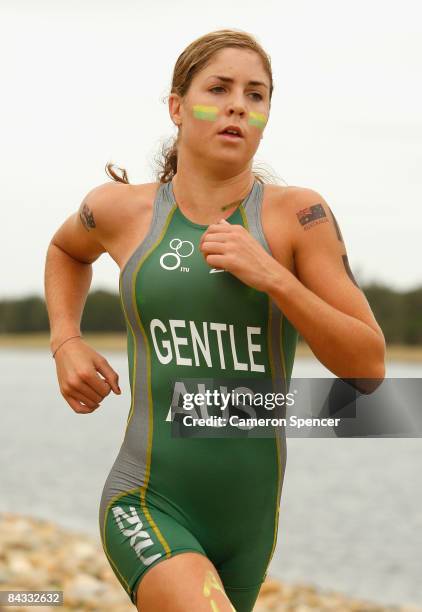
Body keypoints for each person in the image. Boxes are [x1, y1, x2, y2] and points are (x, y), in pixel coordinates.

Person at [44, 28, 386, 612]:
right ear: (178, 106)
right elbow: (66, 250)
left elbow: (369, 368)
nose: (237, 106)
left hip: (250, 525)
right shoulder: (120, 210)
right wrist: (65, 340)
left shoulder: (298, 217)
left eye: (256, 95)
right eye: (219, 89)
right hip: (147, 500)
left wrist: (275, 277)